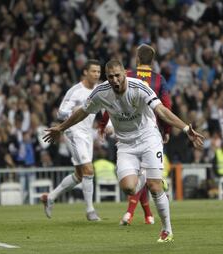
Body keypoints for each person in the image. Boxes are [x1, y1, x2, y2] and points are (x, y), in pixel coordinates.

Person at [43, 59, 204, 243]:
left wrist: (185, 129)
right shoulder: (101, 92)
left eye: (118, 75)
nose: (115, 79)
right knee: (128, 188)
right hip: (125, 144)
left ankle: (167, 229)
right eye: (110, 76)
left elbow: (162, 111)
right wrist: (61, 128)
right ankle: (145, 175)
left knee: (155, 187)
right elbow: (82, 112)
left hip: (148, 138)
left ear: (124, 74)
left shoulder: (140, 87)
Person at [99, 44, 172, 226]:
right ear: (152, 61)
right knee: (141, 175)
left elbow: (111, 101)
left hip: (125, 128)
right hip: (150, 130)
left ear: (137, 58)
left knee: (138, 175)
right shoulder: (158, 79)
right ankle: (141, 214)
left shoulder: (127, 75)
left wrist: (104, 124)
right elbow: (166, 105)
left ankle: (134, 214)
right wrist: (167, 130)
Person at [41, 59, 101, 221]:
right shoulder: (75, 91)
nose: (96, 74)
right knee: (89, 170)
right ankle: (90, 211)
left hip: (87, 133)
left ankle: (50, 197)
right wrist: (76, 110)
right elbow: (61, 113)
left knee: (80, 175)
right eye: (93, 71)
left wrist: (107, 125)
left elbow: (107, 108)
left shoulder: (99, 90)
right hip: (73, 132)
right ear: (85, 72)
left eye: (98, 72)